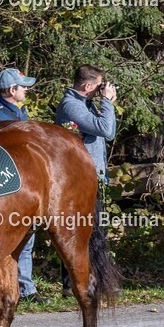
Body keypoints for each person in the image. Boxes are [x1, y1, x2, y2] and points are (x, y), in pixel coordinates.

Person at [0, 67, 44, 302]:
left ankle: (26, 288)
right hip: (4, 188)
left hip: (23, 185)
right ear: (11, 90)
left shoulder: (20, 111)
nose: (26, 89)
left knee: (27, 239)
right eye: (23, 86)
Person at [56, 64, 117, 293]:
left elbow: (106, 131)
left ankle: (92, 280)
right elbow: (106, 130)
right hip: (77, 179)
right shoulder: (71, 106)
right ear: (87, 85)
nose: (101, 90)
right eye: (99, 86)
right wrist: (108, 101)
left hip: (91, 176)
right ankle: (72, 284)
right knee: (78, 231)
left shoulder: (86, 104)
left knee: (94, 231)